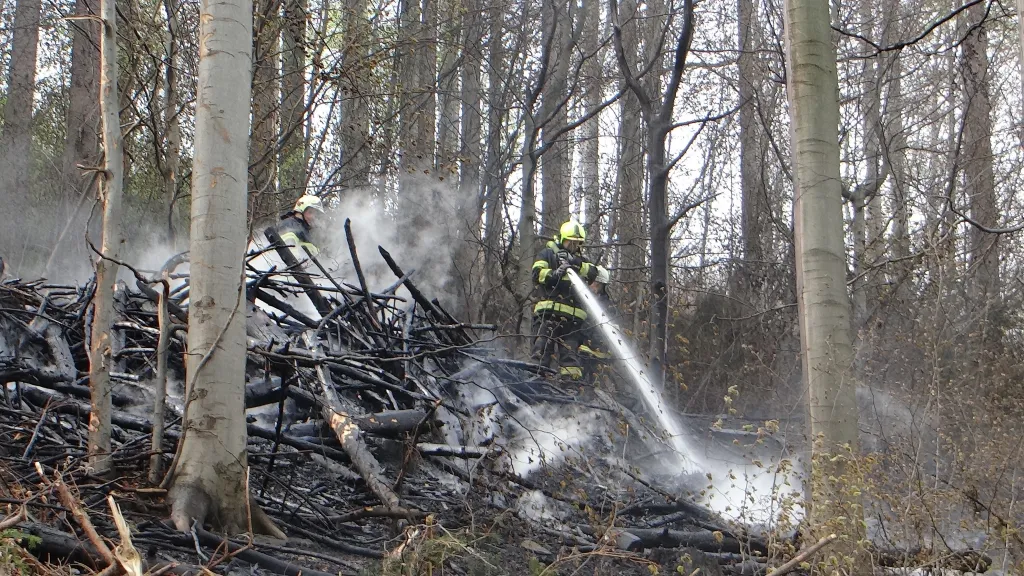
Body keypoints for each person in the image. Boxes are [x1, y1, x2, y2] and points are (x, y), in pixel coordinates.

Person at [530, 220, 604, 383]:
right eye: (570, 242)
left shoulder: (581, 261)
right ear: (562, 239)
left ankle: (570, 391)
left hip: (572, 322)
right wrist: (554, 274)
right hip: (547, 315)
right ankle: (535, 386)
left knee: (570, 361)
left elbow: (593, 272)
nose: (573, 245)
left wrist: (574, 262)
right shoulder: (547, 254)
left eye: (577, 243)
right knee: (540, 353)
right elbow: (536, 274)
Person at [578, 265, 614, 384]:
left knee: (595, 384)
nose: (591, 286)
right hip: (582, 350)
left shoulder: (607, 306)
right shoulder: (583, 300)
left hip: (598, 352)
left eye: (594, 283)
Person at [274, 194, 325, 263]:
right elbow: (289, 255)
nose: (313, 217)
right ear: (300, 211)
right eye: (310, 212)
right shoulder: (290, 225)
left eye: (315, 214)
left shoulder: (305, 231)